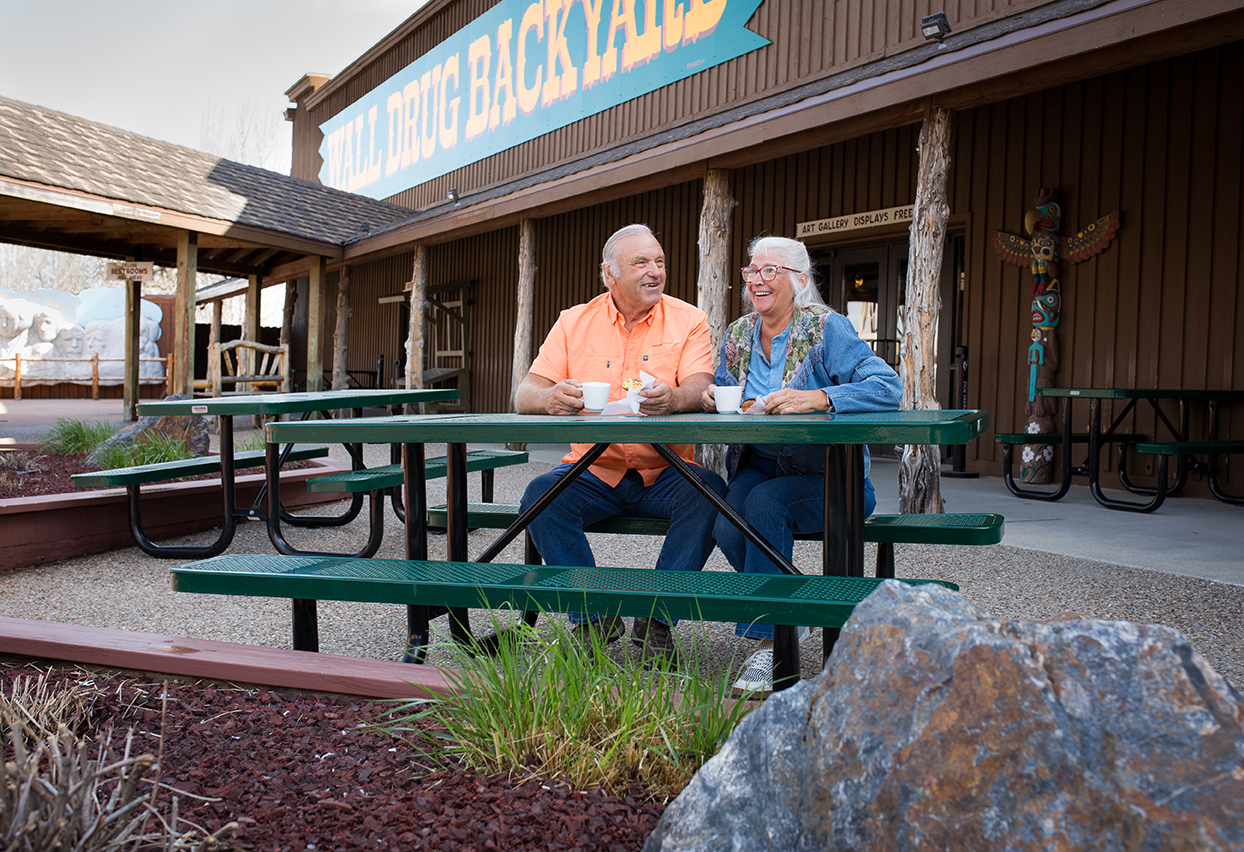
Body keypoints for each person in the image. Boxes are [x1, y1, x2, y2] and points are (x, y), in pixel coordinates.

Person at [515, 223, 728, 662]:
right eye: (642, 263)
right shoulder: (573, 322)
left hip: (666, 472)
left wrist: (675, 398)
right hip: (593, 470)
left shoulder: (690, 319)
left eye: (660, 262)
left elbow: (699, 385)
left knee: (711, 494)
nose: (656, 271)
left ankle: (656, 619)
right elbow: (524, 393)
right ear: (609, 274)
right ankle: (593, 617)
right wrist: (551, 397)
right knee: (540, 496)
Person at [702, 235, 902, 693]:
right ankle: (798, 600)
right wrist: (712, 395)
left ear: (801, 280)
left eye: (770, 270)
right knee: (726, 523)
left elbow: (887, 386)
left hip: (830, 475)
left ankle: (772, 643)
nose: (757, 279)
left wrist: (820, 397)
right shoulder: (736, 334)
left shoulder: (825, 328)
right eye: (752, 270)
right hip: (759, 462)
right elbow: (720, 388)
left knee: (766, 505)